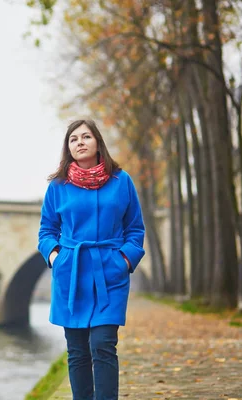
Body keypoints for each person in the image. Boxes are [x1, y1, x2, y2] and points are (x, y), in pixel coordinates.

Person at [38, 119, 145, 400]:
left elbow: (135, 228)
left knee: (103, 344)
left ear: (98, 142)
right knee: (76, 351)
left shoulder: (121, 181)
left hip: (109, 273)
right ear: (68, 147)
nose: (80, 142)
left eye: (86, 136)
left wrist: (124, 260)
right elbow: (47, 231)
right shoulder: (57, 186)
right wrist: (56, 256)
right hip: (70, 274)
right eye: (74, 139)